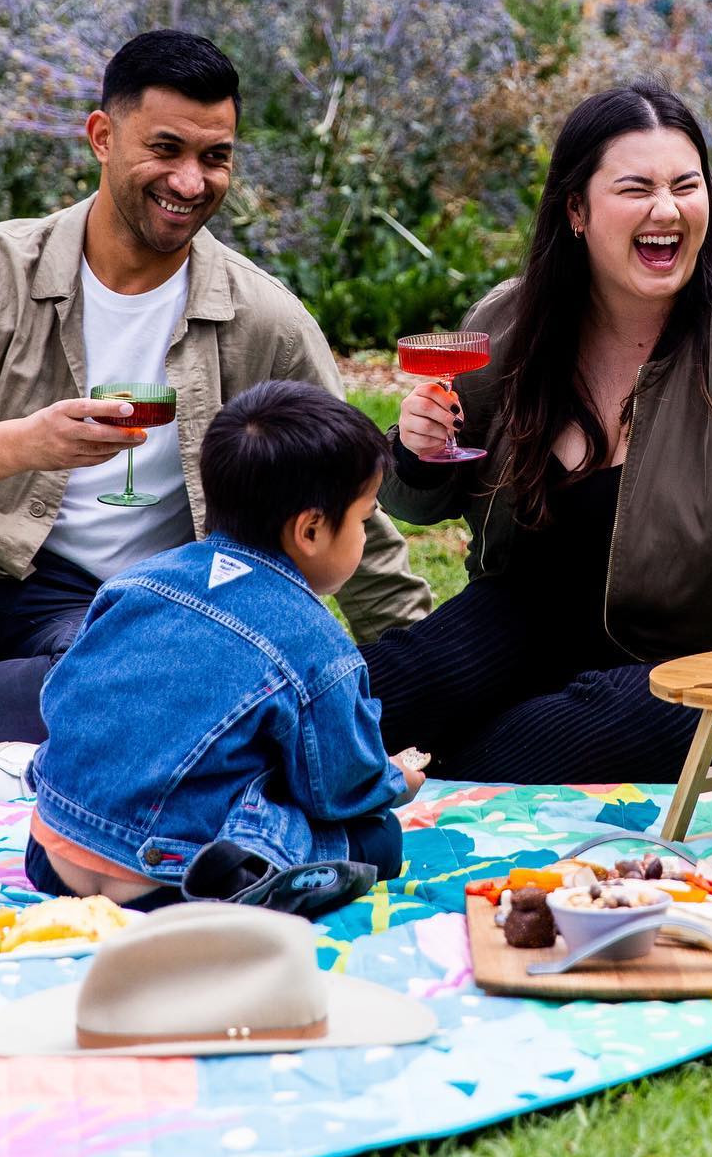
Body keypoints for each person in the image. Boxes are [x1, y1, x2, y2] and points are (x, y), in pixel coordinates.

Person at [0, 30, 429, 759]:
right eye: (166, 150)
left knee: (134, 694)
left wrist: (413, 679)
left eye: (214, 157)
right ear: (102, 136)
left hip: (116, 618)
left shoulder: (264, 320)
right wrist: (19, 446)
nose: (191, 182)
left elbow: (353, 500)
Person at [366, 79, 712, 783]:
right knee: (383, 686)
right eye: (636, 189)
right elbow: (419, 506)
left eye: (686, 186)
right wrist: (417, 455)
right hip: (516, 623)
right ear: (576, 209)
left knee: (592, 725)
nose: (667, 209)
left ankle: (419, 774)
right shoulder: (508, 328)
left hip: (695, 664)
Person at [26, 382, 423, 911]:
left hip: (54, 852)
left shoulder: (135, 582)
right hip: (175, 881)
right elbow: (340, 790)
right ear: (310, 529)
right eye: (364, 518)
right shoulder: (316, 645)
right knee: (379, 838)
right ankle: (254, 877)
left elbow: (62, 694)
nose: (365, 535)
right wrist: (397, 779)